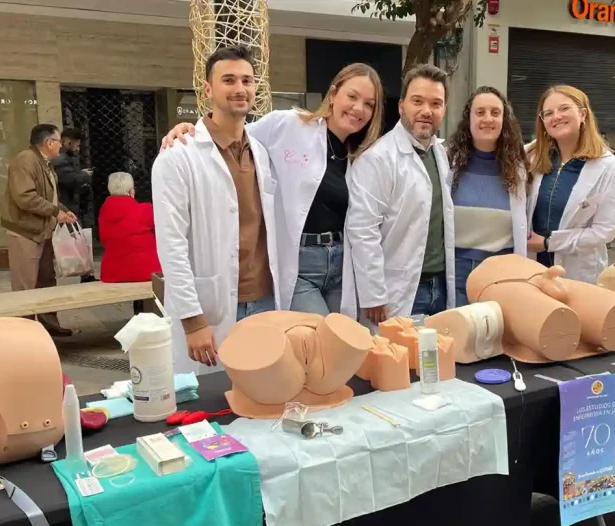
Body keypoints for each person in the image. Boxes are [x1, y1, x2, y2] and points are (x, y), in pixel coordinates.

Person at [160, 63, 385, 316]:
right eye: (352, 97)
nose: (358, 109)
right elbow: (233, 136)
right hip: (299, 264)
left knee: (341, 346)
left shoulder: (363, 156)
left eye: (369, 104)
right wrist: (190, 130)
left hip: (341, 265)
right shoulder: (288, 125)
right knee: (318, 339)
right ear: (333, 95)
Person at [152, 44, 280, 375]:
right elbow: (171, 245)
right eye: (229, 80)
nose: (240, 89)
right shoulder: (178, 155)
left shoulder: (261, 152)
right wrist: (193, 322)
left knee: (260, 395)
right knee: (214, 406)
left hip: (265, 300)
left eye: (247, 81)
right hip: (215, 306)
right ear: (208, 89)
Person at [343, 64, 455, 324]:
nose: (427, 111)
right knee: (399, 362)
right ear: (401, 106)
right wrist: (374, 295)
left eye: (436, 103)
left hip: (441, 286)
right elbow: (363, 231)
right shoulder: (377, 159)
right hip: (398, 291)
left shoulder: (441, 154)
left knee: (435, 362)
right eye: (418, 101)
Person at [524, 84, 615, 284]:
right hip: (532, 267)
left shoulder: (608, 166)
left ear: (583, 114)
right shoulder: (532, 157)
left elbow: (605, 230)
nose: (556, 116)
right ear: (543, 122)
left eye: (564, 109)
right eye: (548, 113)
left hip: (578, 272)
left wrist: (548, 243)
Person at [444, 86, 532, 307]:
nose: (487, 119)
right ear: (468, 118)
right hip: (456, 269)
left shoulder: (518, 167)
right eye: (480, 112)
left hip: (500, 272)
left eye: (495, 112)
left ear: (504, 120)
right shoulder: (446, 161)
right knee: (458, 335)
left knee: (495, 338)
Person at [0, 123, 78, 337]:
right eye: (58, 141)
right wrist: (55, 211)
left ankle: (48, 324)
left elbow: (47, 194)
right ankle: (25, 331)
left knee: (46, 279)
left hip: (42, 229)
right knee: (25, 284)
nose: (61, 145)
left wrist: (62, 210)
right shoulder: (25, 160)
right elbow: (25, 197)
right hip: (26, 231)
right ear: (48, 142)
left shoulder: (44, 162)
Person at [98, 172, 162, 284]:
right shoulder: (145, 210)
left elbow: (104, 239)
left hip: (111, 273)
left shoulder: (104, 213)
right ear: (132, 191)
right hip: (147, 270)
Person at [50, 128, 93, 223]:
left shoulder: (64, 158)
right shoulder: (60, 159)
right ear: (68, 142)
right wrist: (85, 175)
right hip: (65, 208)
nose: (78, 149)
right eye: (77, 145)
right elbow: (71, 179)